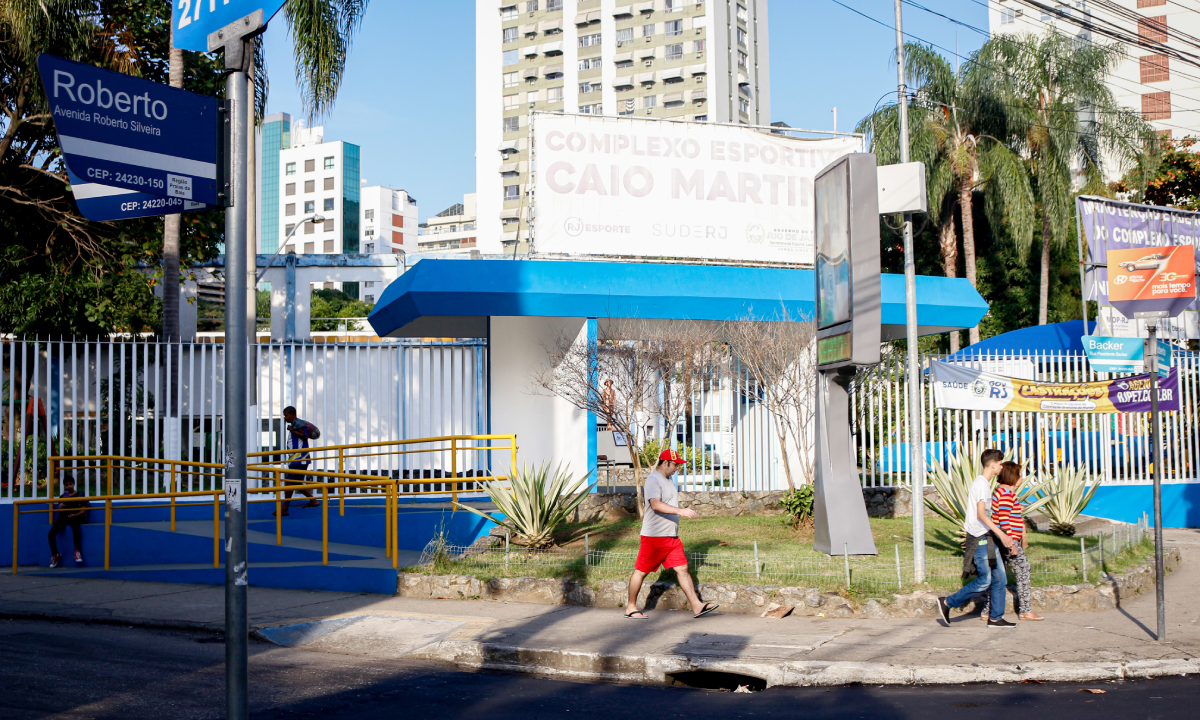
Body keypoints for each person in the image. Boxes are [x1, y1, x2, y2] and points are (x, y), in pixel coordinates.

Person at [623, 448, 719, 620]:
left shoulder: (668, 479)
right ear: (666, 463)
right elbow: (656, 504)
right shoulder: (653, 479)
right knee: (641, 571)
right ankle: (631, 607)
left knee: (682, 568)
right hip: (655, 536)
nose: (677, 468)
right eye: (675, 465)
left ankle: (697, 605)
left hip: (671, 536)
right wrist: (680, 511)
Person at [936, 448, 1016, 628]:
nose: (1002, 467)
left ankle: (995, 618)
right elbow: (981, 514)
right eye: (1000, 464)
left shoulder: (984, 484)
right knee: (985, 579)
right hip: (980, 538)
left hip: (988, 537)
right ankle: (948, 602)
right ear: (993, 465)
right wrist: (1002, 534)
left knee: (1000, 579)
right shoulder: (981, 484)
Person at [981, 461, 1043, 622]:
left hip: (1002, 539)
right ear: (1012, 476)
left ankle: (987, 610)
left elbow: (1005, 511)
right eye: (1020, 475)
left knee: (998, 573)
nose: (1021, 478)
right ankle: (1025, 610)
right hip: (1008, 539)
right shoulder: (1006, 494)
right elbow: (1003, 519)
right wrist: (1011, 543)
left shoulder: (1001, 492)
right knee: (1023, 569)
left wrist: (1016, 508)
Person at [275, 406, 320, 516]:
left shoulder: (298, 424)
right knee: (297, 483)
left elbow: (305, 436)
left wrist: (292, 430)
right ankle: (313, 501)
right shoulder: (296, 425)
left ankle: (285, 508)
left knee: (289, 483)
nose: (285, 418)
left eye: (286, 415)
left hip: (299, 458)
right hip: (296, 459)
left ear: (292, 415)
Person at [48, 474, 88, 568]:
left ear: (74, 484)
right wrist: (64, 502)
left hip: (76, 517)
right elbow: (60, 510)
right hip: (64, 517)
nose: (69, 486)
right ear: (64, 486)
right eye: (66, 485)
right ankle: (55, 554)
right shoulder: (63, 496)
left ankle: (77, 552)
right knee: (51, 534)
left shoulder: (80, 494)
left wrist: (75, 515)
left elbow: (83, 510)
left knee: (76, 528)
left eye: (70, 484)